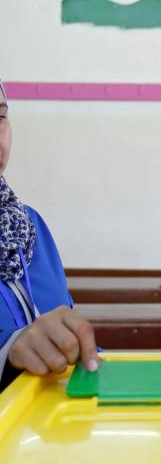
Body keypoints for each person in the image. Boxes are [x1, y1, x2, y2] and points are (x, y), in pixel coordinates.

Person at [0, 80, 99, 390]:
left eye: (0, 117)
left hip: (52, 429)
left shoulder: (28, 226)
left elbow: (63, 328)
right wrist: (8, 352)